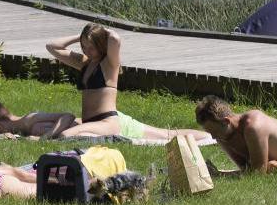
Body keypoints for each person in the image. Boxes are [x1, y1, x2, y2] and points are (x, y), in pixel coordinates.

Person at [45, 23, 211, 142]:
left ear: (101, 45)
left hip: (107, 122)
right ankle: (209, 135)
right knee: (165, 135)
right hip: (94, 123)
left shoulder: (109, 64)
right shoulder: (85, 62)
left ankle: (209, 136)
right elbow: (52, 46)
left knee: (167, 135)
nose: (86, 51)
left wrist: (101, 31)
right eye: (84, 47)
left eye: (91, 47)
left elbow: (115, 39)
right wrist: (80, 36)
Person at [0, 101, 79, 139]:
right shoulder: (22, 129)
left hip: (83, 126)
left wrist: (43, 138)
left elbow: (68, 116)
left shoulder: (31, 119)